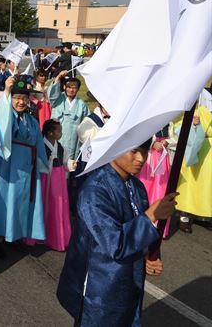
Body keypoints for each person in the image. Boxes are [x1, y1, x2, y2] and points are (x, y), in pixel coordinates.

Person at [56, 141, 177, 326]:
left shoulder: (136, 186)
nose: (140, 159)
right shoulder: (94, 190)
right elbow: (115, 244)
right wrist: (151, 214)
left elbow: (138, 228)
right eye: (134, 151)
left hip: (129, 282)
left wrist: (150, 255)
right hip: (99, 287)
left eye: (144, 153)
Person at [0, 76, 49, 257]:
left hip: (28, 166)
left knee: (21, 200)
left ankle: (15, 235)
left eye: (24, 99)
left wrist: (42, 163)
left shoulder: (32, 120)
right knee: (3, 199)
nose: (21, 102)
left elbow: (38, 144)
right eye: (17, 98)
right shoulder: (5, 113)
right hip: (8, 164)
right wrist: (6, 91)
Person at [175, 103, 212, 233]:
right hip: (197, 148)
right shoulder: (200, 98)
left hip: (210, 153)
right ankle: (184, 216)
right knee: (190, 185)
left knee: (207, 186)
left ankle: (203, 216)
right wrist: (195, 124)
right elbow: (179, 121)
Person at [40, 119, 74, 251]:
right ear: (50, 133)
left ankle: (56, 235)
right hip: (46, 179)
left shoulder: (60, 147)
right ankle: (43, 234)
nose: (61, 133)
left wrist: (71, 164)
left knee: (58, 205)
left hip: (59, 179)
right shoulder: (42, 145)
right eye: (58, 131)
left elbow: (65, 162)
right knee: (46, 204)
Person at [47, 70, 89, 160]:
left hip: (73, 142)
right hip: (56, 138)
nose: (71, 89)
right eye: (69, 87)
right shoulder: (57, 99)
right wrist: (58, 77)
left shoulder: (82, 105)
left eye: (74, 87)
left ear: (78, 89)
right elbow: (51, 95)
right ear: (64, 87)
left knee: (69, 165)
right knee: (53, 164)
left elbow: (87, 124)